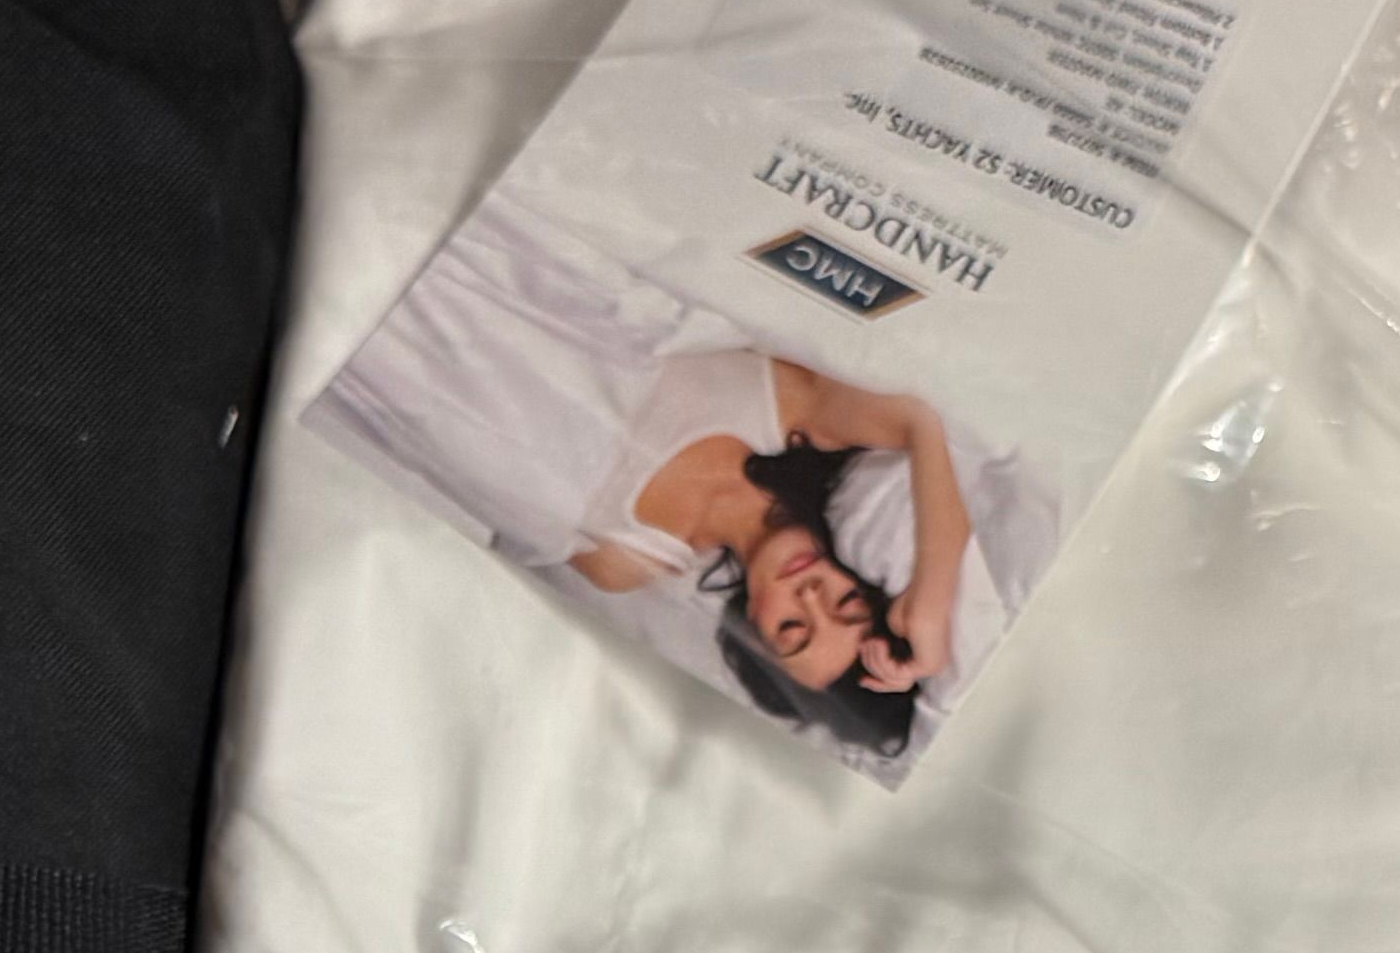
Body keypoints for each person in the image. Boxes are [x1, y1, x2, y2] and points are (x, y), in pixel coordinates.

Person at [313, 195, 1043, 743]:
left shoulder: (627, 561)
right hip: (489, 235)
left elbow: (430, 440)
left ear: (754, 628)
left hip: (386, 330)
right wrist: (931, 600)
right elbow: (922, 420)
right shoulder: (801, 418)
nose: (809, 594)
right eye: (846, 604)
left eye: (793, 627)